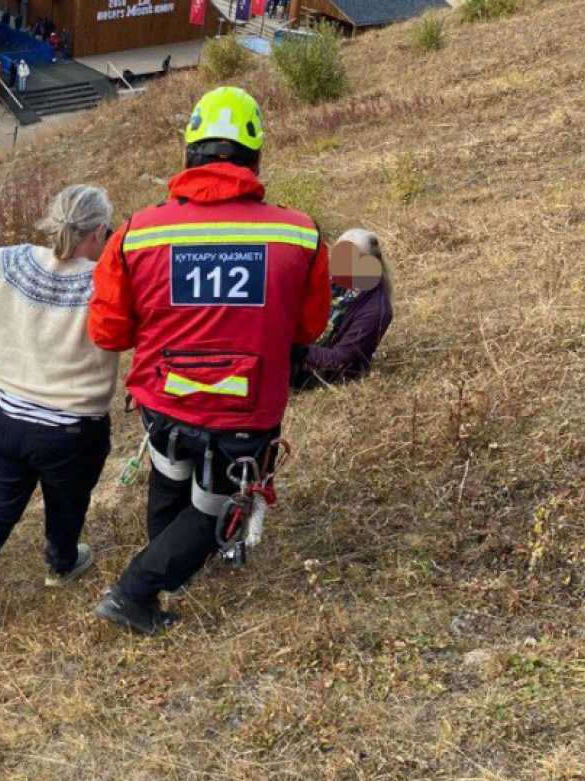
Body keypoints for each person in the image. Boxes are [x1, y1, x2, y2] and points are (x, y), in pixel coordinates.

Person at [87, 87, 331, 636]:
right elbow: (308, 327)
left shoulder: (137, 233)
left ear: (189, 154)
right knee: (218, 509)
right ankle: (135, 592)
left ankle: (163, 569)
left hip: (164, 400)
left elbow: (108, 330)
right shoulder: (297, 232)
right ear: (255, 158)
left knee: (170, 474)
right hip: (246, 411)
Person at [0, 185, 119, 636]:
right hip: (71, 425)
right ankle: (61, 561)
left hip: (4, 413)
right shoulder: (105, 278)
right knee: (68, 497)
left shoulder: (12, 259)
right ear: (97, 232)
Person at [291, 228, 393, 389]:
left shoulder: (375, 310)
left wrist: (294, 350)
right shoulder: (332, 279)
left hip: (316, 375)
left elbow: (341, 361)